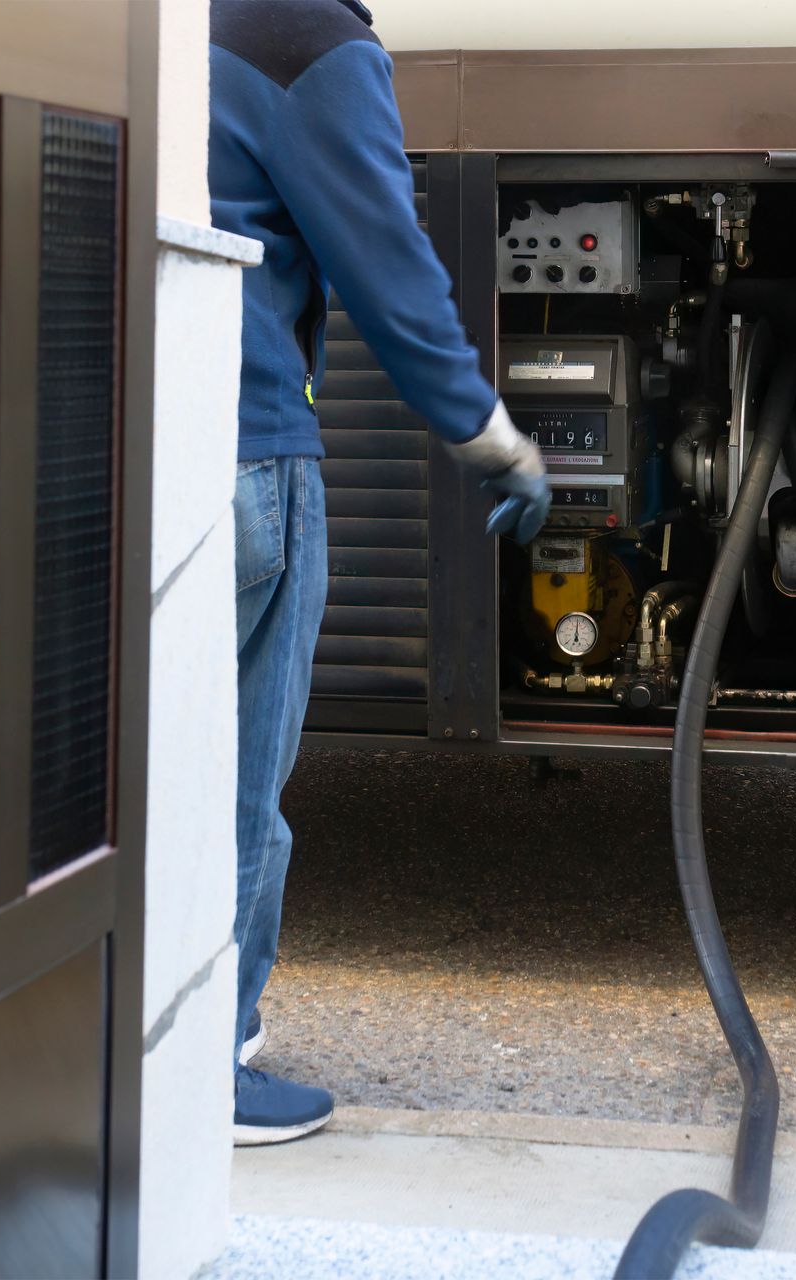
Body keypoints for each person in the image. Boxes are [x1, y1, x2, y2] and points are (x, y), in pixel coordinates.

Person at [209, 0, 550, 1145]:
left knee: (134, 773)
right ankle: (204, 1063)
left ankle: (124, 1034)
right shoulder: (305, 33)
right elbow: (387, 264)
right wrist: (493, 439)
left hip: (104, 439)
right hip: (243, 449)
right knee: (236, 782)